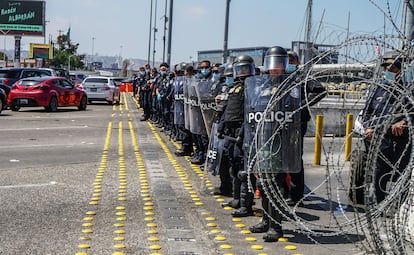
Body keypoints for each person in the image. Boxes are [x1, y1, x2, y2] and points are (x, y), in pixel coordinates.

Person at [247, 46, 295, 242]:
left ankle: (276, 226)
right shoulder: (262, 86)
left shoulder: (291, 85)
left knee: (274, 184)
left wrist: (298, 77)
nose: (275, 68)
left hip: (280, 141)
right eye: (272, 64)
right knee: (262, 183)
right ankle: (266, 220)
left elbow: (316, 91)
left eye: (279, 64)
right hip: (262, 140)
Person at [362, 57, 412, 204]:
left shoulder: (409, 90)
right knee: (379, 171)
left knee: (402, 172)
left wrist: (404, 121)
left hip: (401, 138)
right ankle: (378, 203)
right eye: (386, 69)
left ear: (399, 71)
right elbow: (367, 112)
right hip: (381, 137)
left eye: (392, 69)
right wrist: (368, 127)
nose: (388, 72)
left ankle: (401, 205)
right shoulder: (378, 88)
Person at [285, 50, 326, 206]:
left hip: (296, 122)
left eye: (292, 61)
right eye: (286, 60)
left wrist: (301, 105)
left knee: (294, 159)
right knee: (280, 158)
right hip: (279, 121)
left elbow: (320, 91)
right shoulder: (280, 78)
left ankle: (296, 196)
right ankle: (283, 191)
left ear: (297, 62)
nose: (289, 63)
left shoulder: (302, 78)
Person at [217, 55, 256, 217]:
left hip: (243, 131)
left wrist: (242, 134)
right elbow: (226, 110)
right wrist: (221, 128)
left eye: (245, 69)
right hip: (230, 132)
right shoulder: (233, 87)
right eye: (239, 69)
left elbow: (250, 112)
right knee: (233, 166)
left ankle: (246, 205)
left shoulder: (253, 88)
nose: (242, 72)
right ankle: (236, 198)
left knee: (244, 169)